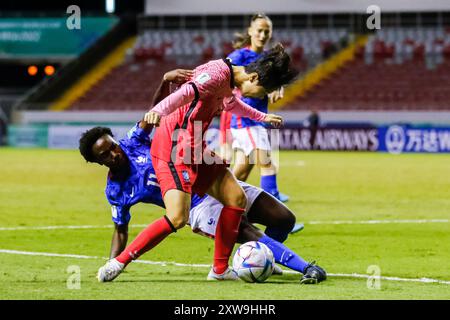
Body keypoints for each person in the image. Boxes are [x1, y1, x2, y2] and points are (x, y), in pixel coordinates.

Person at [78, 70, 326, 284]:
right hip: (197, 206)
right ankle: (301, 265)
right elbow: (120, 230)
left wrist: (165, 82)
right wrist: (113, 263)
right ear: (97, 162)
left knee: (284, 219)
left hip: (208, 177)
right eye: (105, 154)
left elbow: (153, 113)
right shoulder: (116, 191)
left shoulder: (132, 142)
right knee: (245, 229)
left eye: (112, 146)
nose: (114, 153)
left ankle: (263, 261)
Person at [224, 13, 304, 233]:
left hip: (256, 121)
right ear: (250, 31)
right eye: (258, 30)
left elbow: (274, 82)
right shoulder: (239, 56)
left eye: (266, 31)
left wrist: (278, 87)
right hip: (245, 120)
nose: (262, 34)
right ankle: (276, 216)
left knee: (239, 174)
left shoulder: (269, 57)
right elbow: (232, 83)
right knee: (268, 163)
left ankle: (216, 208)